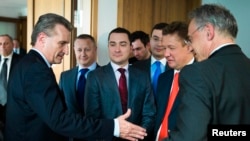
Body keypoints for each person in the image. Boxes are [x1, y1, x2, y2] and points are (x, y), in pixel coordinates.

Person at [4, 13, 147, 141]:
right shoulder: (36, 70)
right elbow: (59, 120)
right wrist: (114, 127)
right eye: (62, 43)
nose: (66, 51)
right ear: (42, 39)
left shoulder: (28, 64)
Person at [165, 4, 250, 141]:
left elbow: (190, 137)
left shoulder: (196, 73)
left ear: (208, 32)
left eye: (190, 39)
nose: (191, 47)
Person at [84, 27, 156, 140]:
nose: (117, 49)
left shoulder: (142, 76)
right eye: (112, 44)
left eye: (122, 44)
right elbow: (92, 117)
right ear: (108, 47)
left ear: (131, 48)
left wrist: (136, 135)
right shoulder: (95, 77)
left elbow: (149, 114)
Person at [153, 21, 194, 141]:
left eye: (171, 48)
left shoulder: (202, 78)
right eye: (164, 48)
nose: (166, 54)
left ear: (189, 47)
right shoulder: (163, 78)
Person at [59, 34, 100, 141]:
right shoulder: (65, 76)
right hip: (71, 135)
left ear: (95, 50)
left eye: (87, 49)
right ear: (74, 50)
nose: (83, 54)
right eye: (79, 50)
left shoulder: (106, 76)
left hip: (98, 135)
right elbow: (61, 108)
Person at [133, 22, 168, 99]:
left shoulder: (176, 68)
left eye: (163, 39)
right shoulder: (136, 67)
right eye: (155, 39)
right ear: (150, 41)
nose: (159, 44)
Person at [0, 34, 21, 141]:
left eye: (6, 43)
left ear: (12, 45)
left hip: (14, 105)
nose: (3, 46)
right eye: (0, 44)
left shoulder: (22, 61)